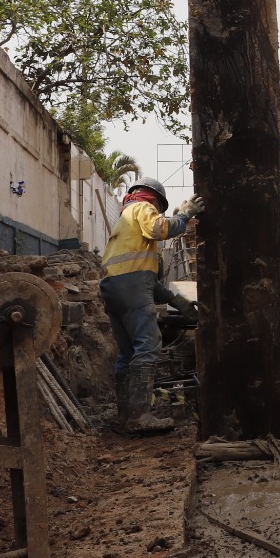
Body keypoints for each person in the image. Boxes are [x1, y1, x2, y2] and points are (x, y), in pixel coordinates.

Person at [99, 176, 203, 434]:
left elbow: (144, 279)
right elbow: (159, 228)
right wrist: (185, 216)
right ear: (155, 199)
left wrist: (176, 301)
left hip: (114, 287)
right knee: (147, 345)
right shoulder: (142, 206)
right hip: (130, 286)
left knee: (128, 352)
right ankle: (140, 416)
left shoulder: (125, 224)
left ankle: (125, 416)